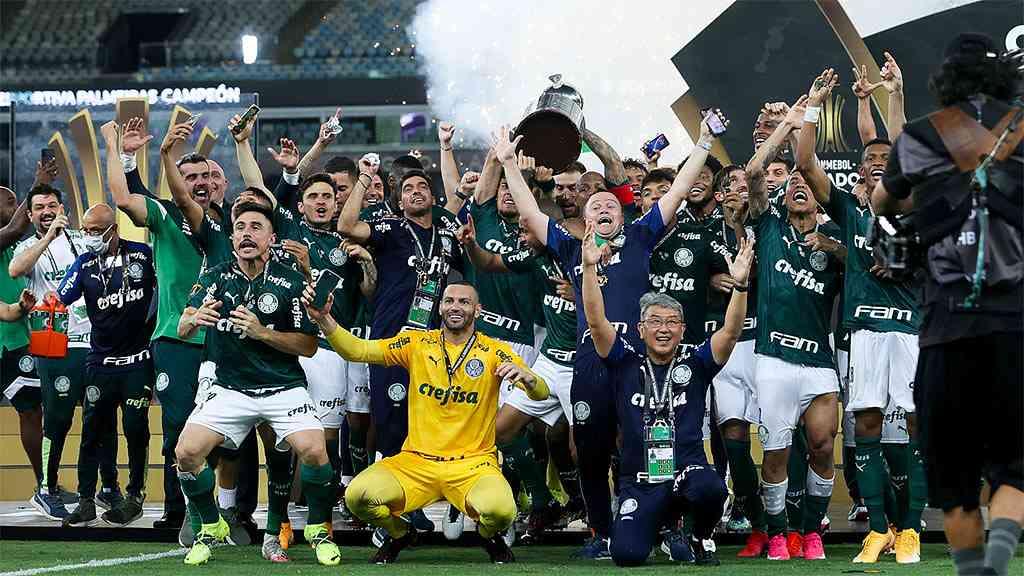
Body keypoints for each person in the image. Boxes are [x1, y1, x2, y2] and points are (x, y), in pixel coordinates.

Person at [499, 110, 724, 558]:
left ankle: (667, 527)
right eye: (595, 206)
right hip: (589, 363)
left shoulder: (640, 237)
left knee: (648, 443)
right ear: (584, 218)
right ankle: (601, 532)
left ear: (623, 214)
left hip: (635, 364)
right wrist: (508, 163)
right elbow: (529, 211)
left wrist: (702, 143)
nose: (604, 209)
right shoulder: (569, 247)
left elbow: (678, 191)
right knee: (589, 450)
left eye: (611, 205)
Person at [871, 33, 1023, 576]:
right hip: (1016, 326)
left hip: (946, 327)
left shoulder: (919, 136)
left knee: (954, 479)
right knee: (1016, 467)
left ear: (946, 78)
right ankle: (997, 562)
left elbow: (883, 203)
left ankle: (975, 572)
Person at [306, 280, 549, 564]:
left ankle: (488, 536)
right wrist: (324, 319)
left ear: (478, 310)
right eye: (449, 301)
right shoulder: (417, 343)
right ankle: (400, 533)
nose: (455, 307)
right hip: (417, 462)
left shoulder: (494, 350)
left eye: (464, 302)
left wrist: (530, 379)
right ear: (440, 307)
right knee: (357, 498)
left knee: (501, 511)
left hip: (472, 464)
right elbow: (358, 350)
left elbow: (541, 393)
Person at [801, 65, 926, 564]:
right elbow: (806, 162)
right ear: (858, 172)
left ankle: (911, 529)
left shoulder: (913, 208)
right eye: (870, 158)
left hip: (910, 331)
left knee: (916, 425)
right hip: (866, 333)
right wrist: (812, 109)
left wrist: (895, 96)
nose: (878, 162)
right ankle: (878, 529)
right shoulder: (850, 213)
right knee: (867, 426)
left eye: (885, 158)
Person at [174, 202, 338, 566]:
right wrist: (194, 320)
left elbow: (308, 346)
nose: (246, 234)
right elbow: (183, 325)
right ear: (232, 237)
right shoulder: (215, 277)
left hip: (283, 387)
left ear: (271, 237)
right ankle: (210, 525)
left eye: (255, 227)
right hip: (230, 388)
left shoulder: (291, 282)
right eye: (240, 228)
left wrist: (262, 333)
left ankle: (318, 531)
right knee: (186, 453)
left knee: (314, 450)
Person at [582, 219, 753, 566]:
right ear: (640, 329)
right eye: (655, 322)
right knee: (627, 555)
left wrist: (740, 285)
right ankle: (663, 526)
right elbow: (597, 322)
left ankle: (699, 537)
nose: (664, 329)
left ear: (683, 329)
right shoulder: (624, 360)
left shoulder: (697, 362)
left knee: (712, 489)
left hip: (686, 470)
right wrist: (588, 269)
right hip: (640, 479)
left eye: (672, 322)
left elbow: (731, 332)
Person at [746, 86, 846, 561]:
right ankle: (778, 533)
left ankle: (811, 532)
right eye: (791, 183)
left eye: (806, 182)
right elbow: (753, 172)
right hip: (774, 359)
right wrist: (789, 124)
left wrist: (835, 249)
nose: (798, 185)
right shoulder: (769, 228)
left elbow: (869, 268)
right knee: (777, 453)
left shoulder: (834, 238)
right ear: (783, 196)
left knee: (823, 445)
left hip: (819, 363)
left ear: (819, 199)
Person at [103, 118, 207, 533]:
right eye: (191, 176)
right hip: (175, 340)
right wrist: (124, 154)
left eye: (207, 176)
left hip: (226, 340)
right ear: (177, 182)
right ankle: (177, 512)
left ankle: (232, 512)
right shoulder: (167, 215)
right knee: (177, 429)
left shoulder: (236, 224)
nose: (200, 183)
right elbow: (126, 198)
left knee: (232, 432)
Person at [9, 183, 120, 520]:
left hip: (95, 342)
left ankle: (109, 488)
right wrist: (48, 237)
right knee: (57, 420)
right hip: (55, 343)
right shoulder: (27, 245)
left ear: (63, 208)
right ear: (30, 215)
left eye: (52, 206)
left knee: (102, 415)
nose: (47, 212)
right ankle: (46, 488)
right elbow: (16, 270)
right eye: (39, 207)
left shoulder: (81, 239)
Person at [56, 204, 155, 527]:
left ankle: (135, 496)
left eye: (97, 231)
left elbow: (167, 285)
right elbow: (61, 297)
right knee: (91, 432)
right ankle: (86, 500)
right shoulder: (85, 263)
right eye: (86, 230)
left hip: (137, 362)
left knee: (136, 430)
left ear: (114, 229)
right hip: (99, 363)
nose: (90, 236)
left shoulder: (142, 254)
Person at [0, 184, 44, 504]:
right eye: (9, 202)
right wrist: (36, 188)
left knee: (31, 411)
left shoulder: (18, 248)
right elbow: (16, 226)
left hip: (19, 340)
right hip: (6, 339)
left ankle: (43, 485)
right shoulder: (10, 236)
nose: (16, 208)